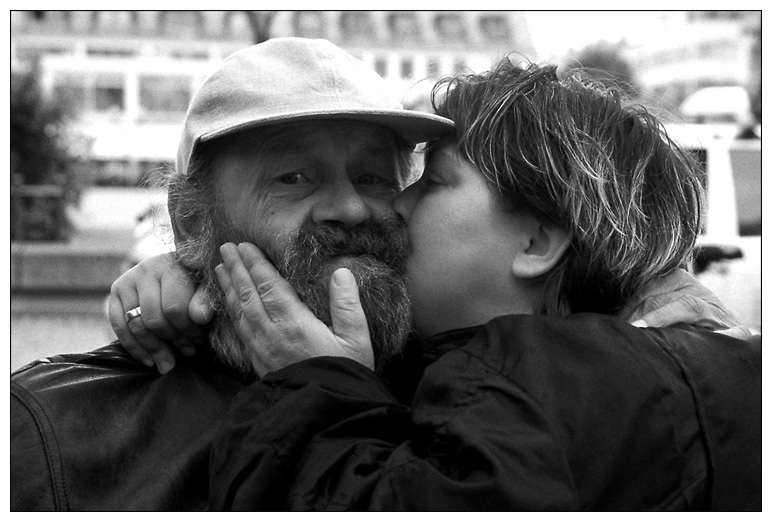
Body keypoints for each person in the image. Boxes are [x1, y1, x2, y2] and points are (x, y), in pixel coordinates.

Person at [197, 60, 762, 509]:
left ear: (536, 245)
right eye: (292, 178)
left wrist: (313, 386)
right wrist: (190, 277)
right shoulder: (671, 359)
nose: (395, 203)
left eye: (434, 183)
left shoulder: (524, 382)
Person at [10, 37, 456, 511]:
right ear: (191, 221)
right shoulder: (46, 432)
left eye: (373, 177)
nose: (348, 207)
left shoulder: (472, 397)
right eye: (294, 177)